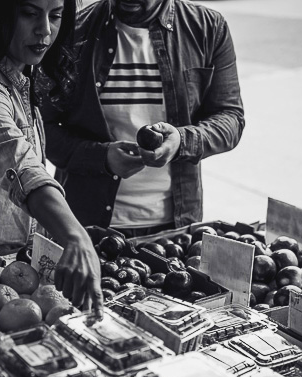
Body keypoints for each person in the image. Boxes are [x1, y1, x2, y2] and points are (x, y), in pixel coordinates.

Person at [0, 0, 102, 312]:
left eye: (55, 15)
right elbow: (22, 166)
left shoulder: (21, 81)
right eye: (29, 14)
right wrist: (75, 236)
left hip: (15, 271)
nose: (45, 30)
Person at [41, 0, 245, 237]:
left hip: (176, 225)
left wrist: (181, 140)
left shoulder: (208, 28)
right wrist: (101, 157)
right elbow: (42, 127)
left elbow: (230, 117)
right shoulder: (73, 31)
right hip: (83, 225)